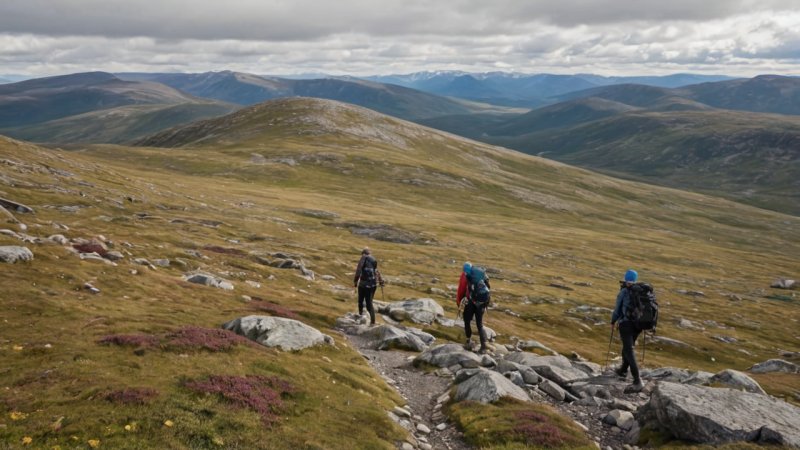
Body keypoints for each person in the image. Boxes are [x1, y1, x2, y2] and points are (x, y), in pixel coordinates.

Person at [611, 269, 644, 392]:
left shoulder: (625, 291)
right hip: (638, 325)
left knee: (629, 350)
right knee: (628, 346)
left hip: (626, 324)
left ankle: (637, 381)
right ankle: (623, 370)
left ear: (625, 278)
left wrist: (613, 321)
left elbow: (617, 309)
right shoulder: (641, 291)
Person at [457, 262, 491, 354]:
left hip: (470, 302)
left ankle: (468, 342)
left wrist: (459, 302)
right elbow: (488, 287)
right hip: (482, 302)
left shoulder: (465, 275)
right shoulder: (481, 273)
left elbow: (461, 290)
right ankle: (484, 346)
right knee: (479, 324)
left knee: (467, 321)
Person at [353, 247, 383, 325]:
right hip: (373, 285)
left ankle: (360, 316)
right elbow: (376, 270)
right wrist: (381, 281)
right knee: (369, 303)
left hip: (364, 284)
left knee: (360, 301)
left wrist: (355, 281)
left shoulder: (363, 258)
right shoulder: (373, 259)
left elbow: (359, 270)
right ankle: (372, 321)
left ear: (363, 253)